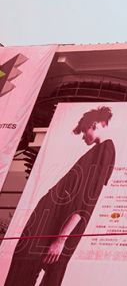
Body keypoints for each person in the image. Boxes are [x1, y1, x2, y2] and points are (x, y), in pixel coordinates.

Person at [5, 106, 116, 286]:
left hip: (51, 228)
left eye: (83, 131)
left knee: (26, 269)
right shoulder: (99, 151)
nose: (82, 136)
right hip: (48, 225)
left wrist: (61, 239)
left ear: (93, 125)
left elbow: (86, 201)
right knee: (25, 268)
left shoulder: (105, 150)